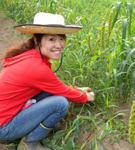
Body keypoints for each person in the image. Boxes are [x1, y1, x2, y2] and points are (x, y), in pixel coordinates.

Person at [0, 12, 95, 150]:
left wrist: (77, 90)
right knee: (60, 104)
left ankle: (40, 123)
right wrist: (85, 97)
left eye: (61, 39)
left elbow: (55, 87)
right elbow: (61, 91)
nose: (59, 45)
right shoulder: (36, 67)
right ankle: (30, 144)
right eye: (51, 39)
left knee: (54, 94)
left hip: (6, 116)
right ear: (37, 41)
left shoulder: (29, 56)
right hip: (5, 128)